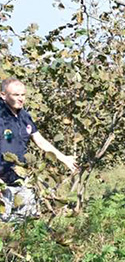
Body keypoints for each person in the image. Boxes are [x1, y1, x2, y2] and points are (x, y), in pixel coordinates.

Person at [0, 78, 78, 221]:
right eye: (16, 95)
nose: (21, 99)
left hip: (21, 179)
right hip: (2, 182)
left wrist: (63, 158)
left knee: (25, 222)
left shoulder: (24, 116)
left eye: (23, 95)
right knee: (3, 224)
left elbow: (40, 140)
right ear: (3, 95)